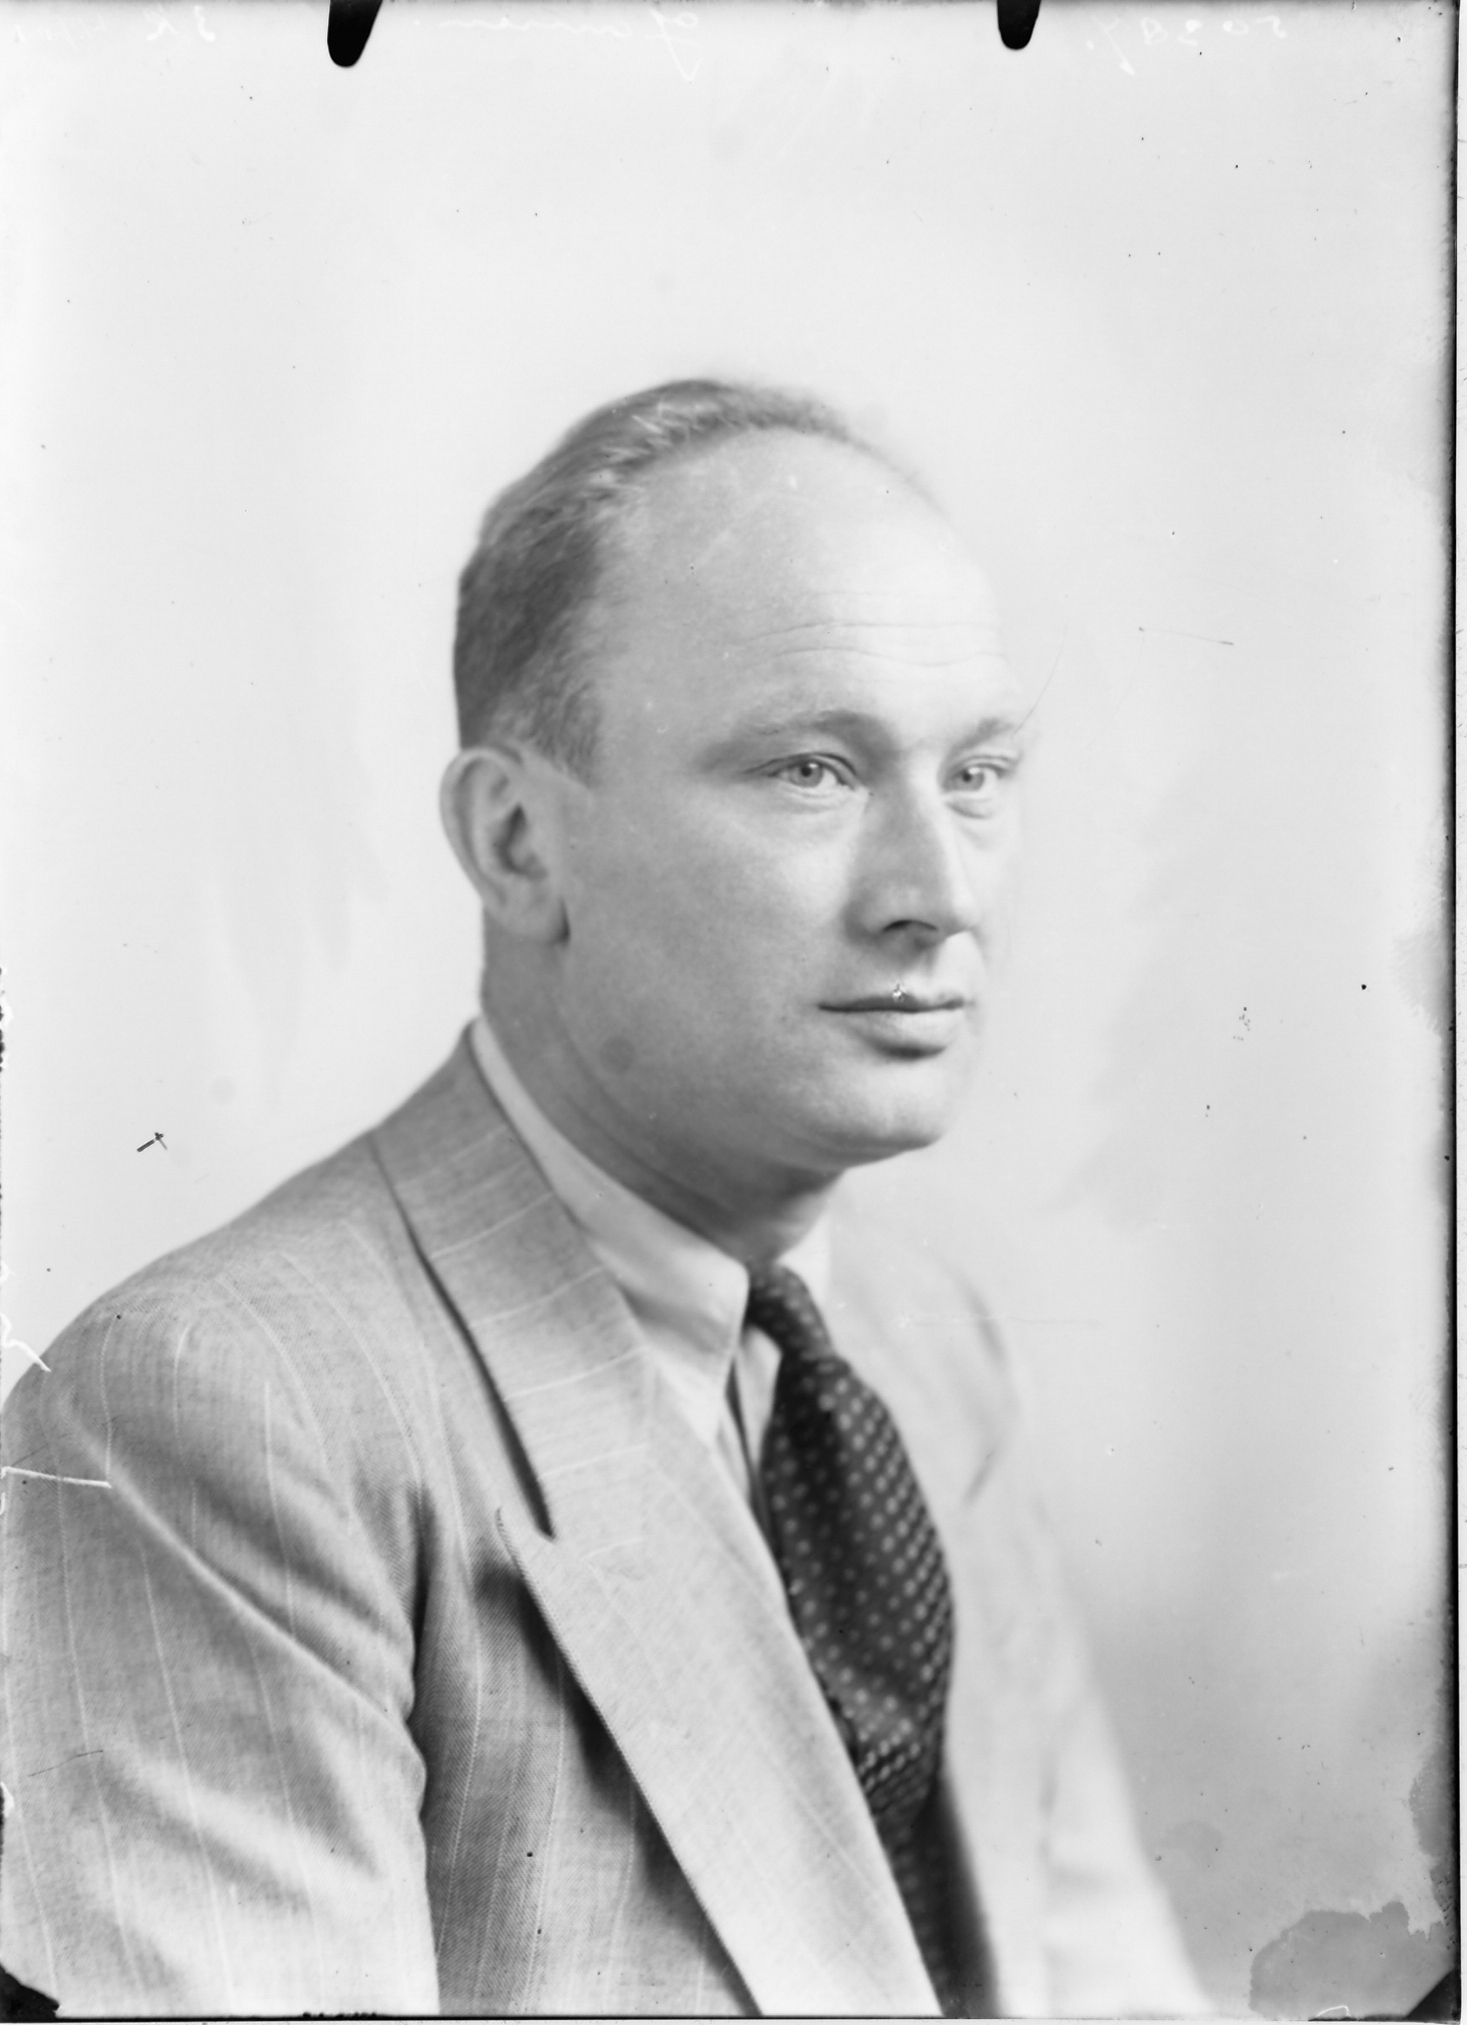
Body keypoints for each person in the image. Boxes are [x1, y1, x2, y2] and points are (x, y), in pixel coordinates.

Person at [0, 381, 1205, 2018]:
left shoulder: (933, 1348)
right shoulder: (216, 1411)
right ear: (517, 842)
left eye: (979, 771)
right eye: (812, 769)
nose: (940, 894)